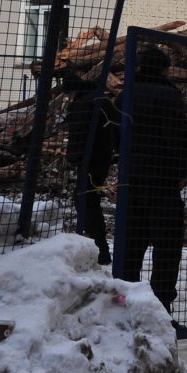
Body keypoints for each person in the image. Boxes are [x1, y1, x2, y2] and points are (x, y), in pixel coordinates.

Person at [117, 45, 187, 311]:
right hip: (162, 182)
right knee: (167, 249)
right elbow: (178, 138)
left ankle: (124, 308)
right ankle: (161, 311)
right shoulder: (168, 95)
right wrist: (181, 168)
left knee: (130, 249)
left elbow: (114, 133)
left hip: (131, 181)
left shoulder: (125, 94)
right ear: (164, 68)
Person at [63, 67, 120, 263]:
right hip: (102, 159)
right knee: (88, 201)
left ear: (73, 91)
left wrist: (73, 159)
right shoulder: (99, 99)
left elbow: (78, 139)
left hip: (90, 162)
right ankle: (98, 247)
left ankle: (100, 250)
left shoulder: (82, 105)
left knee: (86, 203)